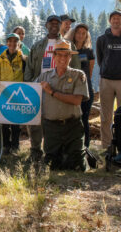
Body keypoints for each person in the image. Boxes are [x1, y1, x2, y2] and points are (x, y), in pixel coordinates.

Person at [24, 15, 81, 160]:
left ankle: (55, 152)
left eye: (57, 23)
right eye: (51, 23)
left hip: (61, 88)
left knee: (54, 121)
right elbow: (30, 67)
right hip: (39, 87)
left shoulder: (68, 45)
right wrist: (31, 85)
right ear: (46, 25)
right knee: (35, 120)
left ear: (61, 25)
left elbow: (75, 67)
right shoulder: (37, 46)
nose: (54, 25)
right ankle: (35, 150)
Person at [37, 40, 89, 171]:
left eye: (66, 55)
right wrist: (2, 88)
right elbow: (29, 91)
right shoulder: (44, 76)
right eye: (59, 55)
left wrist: (52, 92)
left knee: (77, 166)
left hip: (73, 126)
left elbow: (77, 100)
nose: (62, 58)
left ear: (70, 58)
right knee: (52, 165)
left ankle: (81, 156)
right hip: (51, 127)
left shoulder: (78, 75)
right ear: (54, 56)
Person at [96, 10, 121, 149]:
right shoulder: (102, 39)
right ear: (110, 21)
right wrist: (107, 69)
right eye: (113, 18)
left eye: (118, 18)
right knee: (105, 116)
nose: (116, 21)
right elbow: (100, 59)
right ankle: (106, 146)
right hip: (106, 80)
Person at [0, 33, 24, 154]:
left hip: (18, 96)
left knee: (16, 123)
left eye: (15, 41)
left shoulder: (23, 59)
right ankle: (5, 146)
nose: (12, 44)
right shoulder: (0, 59)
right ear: (7, 43)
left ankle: (15, 146)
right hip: (3, 96)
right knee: (4, 123)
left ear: (19, 44)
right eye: (10, 41)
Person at [65, 23, 95, 148]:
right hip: (69, 89)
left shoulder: (89, 52)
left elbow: (90, 72)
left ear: (86, 35)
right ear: (74, 33)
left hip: (85, 90)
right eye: (78, 32)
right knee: (69, 120)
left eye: (84, 33)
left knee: (84, 119)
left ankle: (85, 147)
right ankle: (70, 147)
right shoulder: (67, 49)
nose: (80, 35)